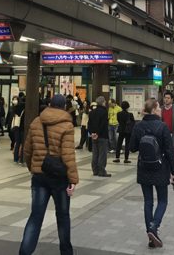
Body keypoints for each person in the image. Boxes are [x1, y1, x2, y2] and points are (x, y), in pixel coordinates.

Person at [19, 94, 78, 255]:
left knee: (36, 217)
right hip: (60, 178)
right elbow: (68, 155)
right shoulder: (67, 125)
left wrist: (33, 168)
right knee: (63, 216)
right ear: (64, 107)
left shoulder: (36, 122)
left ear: (50, 104)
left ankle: (24, 252)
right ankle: (66, 251)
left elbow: (27, 150)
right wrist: (73, 180)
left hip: (39, 177)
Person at [129, 98, 174, 249]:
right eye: (158, 108)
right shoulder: (162, 126)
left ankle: (151, 238)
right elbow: (170, 151)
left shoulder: (138, 126)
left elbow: (132, 147)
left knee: (148, 201)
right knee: (162, 200)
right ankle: (153, 227)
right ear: (154, 110)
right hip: (160, 168)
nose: (161, 110)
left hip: (143, 167)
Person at [88, 96, 110, 177]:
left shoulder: (92, 112)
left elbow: (89, 124)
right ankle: (101, 171)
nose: (105, 102)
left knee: (95, 153)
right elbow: (103, 124)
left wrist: (92, 133)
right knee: (102, 154)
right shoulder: (104, 112)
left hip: (94, 136)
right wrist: (97, 133)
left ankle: (95, 170)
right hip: (102, 135)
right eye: (105, 101)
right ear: (103, 102)